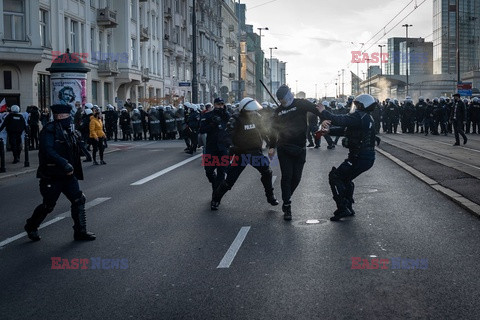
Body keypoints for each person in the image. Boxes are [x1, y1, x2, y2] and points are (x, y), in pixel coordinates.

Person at [24, 104, 96, 241]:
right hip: (52, 175)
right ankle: (31, 226)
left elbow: (73, 150)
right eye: (67, 116)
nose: (69, 119)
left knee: (79, 199)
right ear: (61, 116)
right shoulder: (49, 130)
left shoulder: (69, 130)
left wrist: (81, 145)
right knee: (48, 205)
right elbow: (48, 150)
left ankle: (80, 231)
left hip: (69, 175)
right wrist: (64, 163)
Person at [316, 94, 378, 221]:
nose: (355, 107)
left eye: (357, 105)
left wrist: (323, 111)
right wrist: (329, 132)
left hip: (359, 157)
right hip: (365, 157)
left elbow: (339, 120)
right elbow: (347, 131)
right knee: (345, 179)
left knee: (335, 176)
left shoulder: (359, 116)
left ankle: (343, 208)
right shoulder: (366, 118)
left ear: (363, 105)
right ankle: (348, 207)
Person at [268, 85, 324, 221]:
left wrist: (324, 116)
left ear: (288, 96)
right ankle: (287, 205)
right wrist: (271, 146)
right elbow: (273, 129)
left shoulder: (301, 104)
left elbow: (317, 111)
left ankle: (287, 196)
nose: (282, 102)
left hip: (300, 148)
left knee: (296, 178)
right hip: (284, 147)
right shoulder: (278, 111)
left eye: (283, 99)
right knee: (287, 176)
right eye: (280, 100)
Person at [211, 97, 278, 210]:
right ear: (244, 110)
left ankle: (270, 197)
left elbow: (266, 131)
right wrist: (231, 147)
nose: (253, 112)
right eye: (250, 111)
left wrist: (272, 145)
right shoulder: (235, 119)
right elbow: (227, 135)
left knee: (267, 172)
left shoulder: (257, 117)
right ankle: (216, 199)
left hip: (254, 153)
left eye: (254, 110)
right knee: (229, 181)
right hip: (240, 154)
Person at [199, 98, 231, 195]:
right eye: (218, 104)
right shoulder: (208, 115)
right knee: (208, 171)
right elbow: (201, 130)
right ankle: (214, 182)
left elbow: (233, 128)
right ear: (214, 104)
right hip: (211, 147)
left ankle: (216, 196)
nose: (220, 106)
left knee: (222, 173)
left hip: (223, 148)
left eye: (222, 104)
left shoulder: (227, 115)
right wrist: (212, 124)